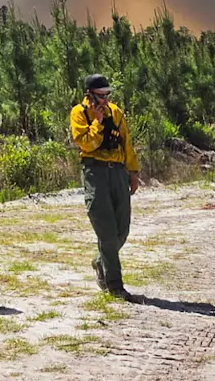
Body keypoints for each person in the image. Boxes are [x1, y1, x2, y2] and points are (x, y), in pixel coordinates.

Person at [70, 74, 145, 304]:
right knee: (106, 231)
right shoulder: (79, 113)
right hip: (96, 173)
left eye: (107, 95)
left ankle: (101, 261)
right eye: (100, 96)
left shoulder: (116, 112)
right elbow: (86, 143)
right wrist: (97, 122)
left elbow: (126, 144)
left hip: (118, 173)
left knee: (122, 229)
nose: (105, 100)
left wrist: (132, 173)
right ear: (89, 95)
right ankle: (115, 285)